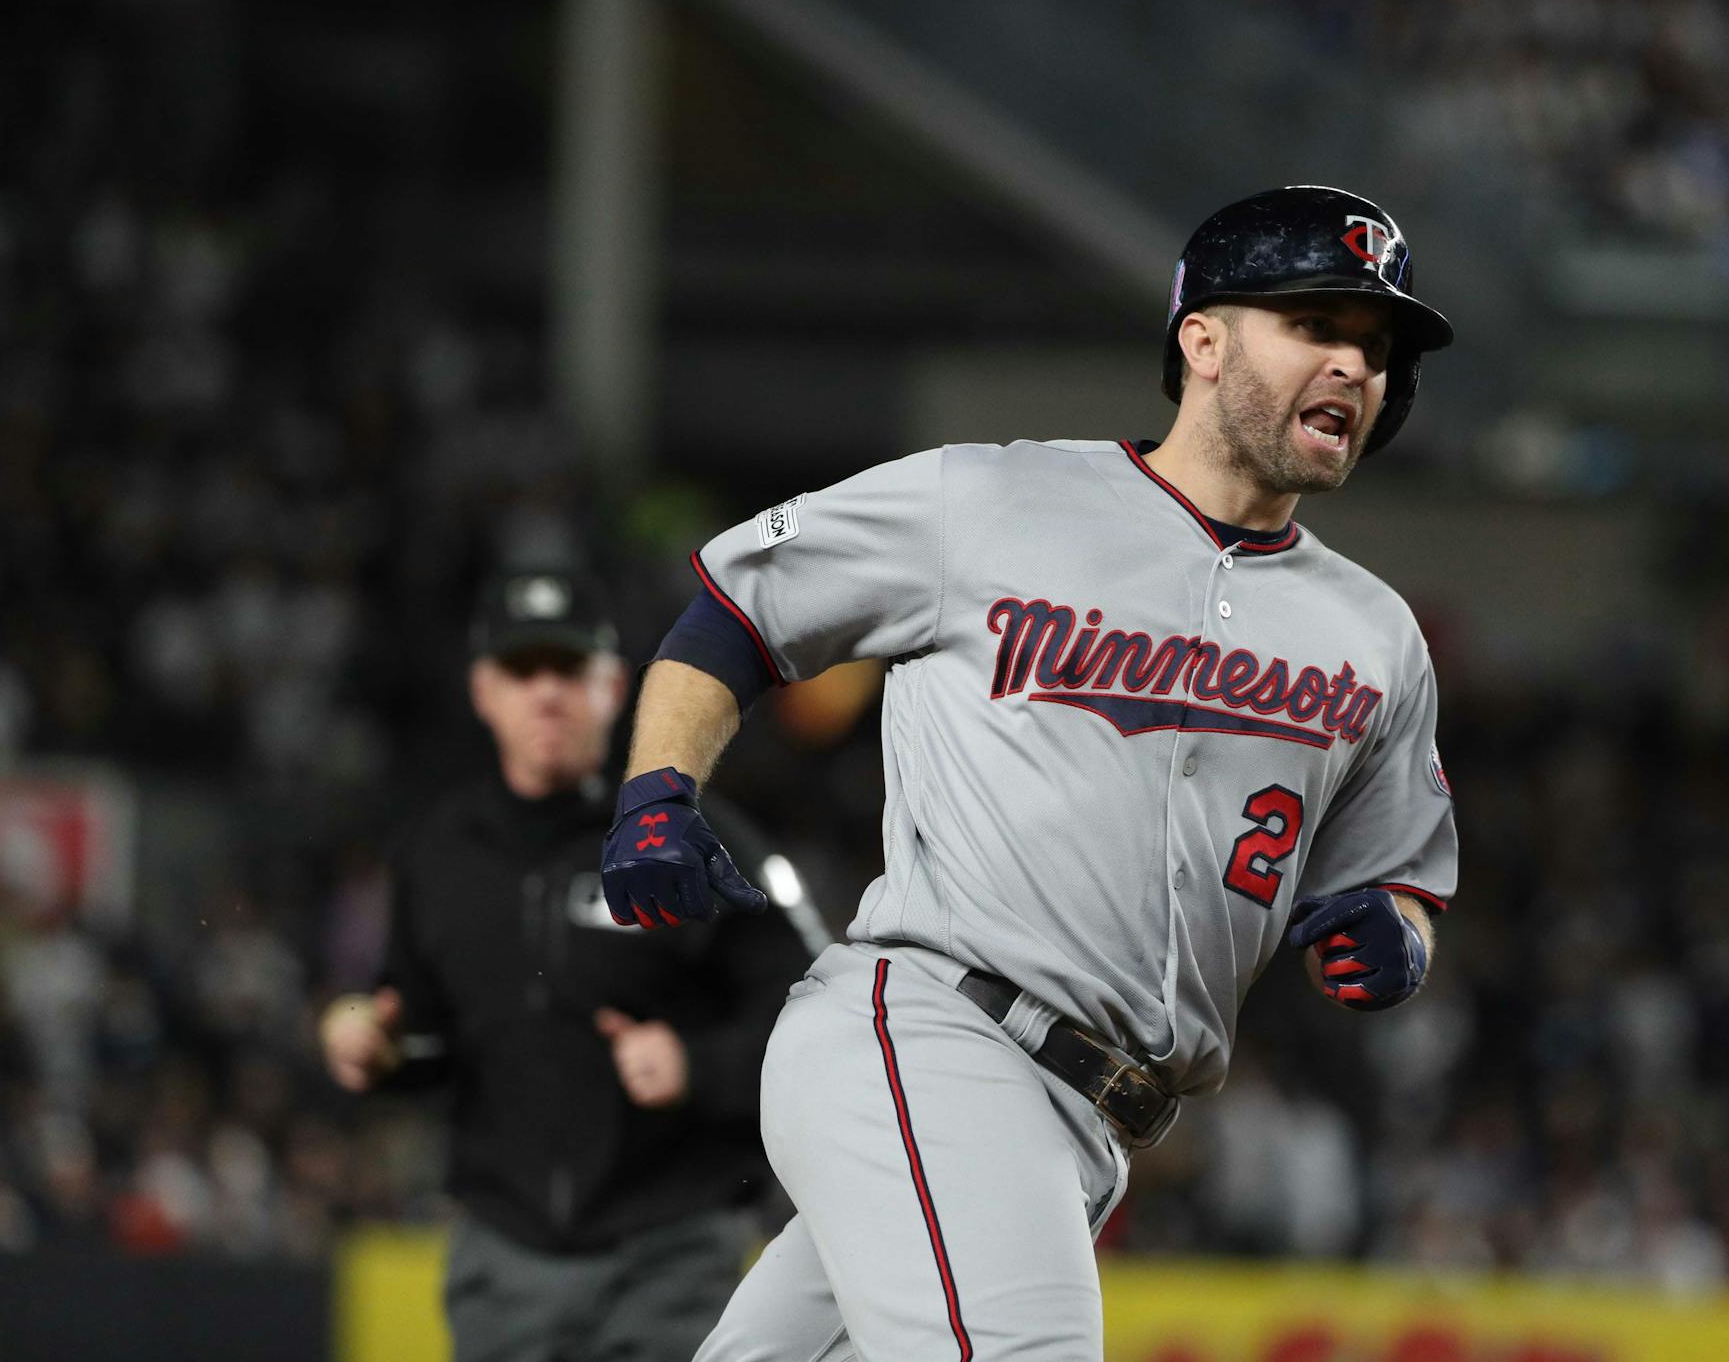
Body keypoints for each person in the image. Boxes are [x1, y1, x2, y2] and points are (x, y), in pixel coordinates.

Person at [601, 185, 1460, 1360]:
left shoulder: (1375, 633)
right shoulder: (994, 500)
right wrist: (658, 793)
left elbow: (1395, 871)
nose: (1357, 366)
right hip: (936, 1036)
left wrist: (1394, 928)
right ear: (1202, 341)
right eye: (1317, 326)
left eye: (1377, 347)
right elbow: (734, 611)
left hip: (1089, 1132)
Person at [320, 566, 807, 1362]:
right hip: (502, 1262)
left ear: (615, 686)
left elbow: (816, 1013)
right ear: (484, 690)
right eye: (521, 670)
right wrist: (379, 1052)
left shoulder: (694, 840)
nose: (547, 692)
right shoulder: (436, 856)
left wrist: (698, 1064)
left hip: (668, 1256)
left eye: (570, 669)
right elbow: (426, 1039)